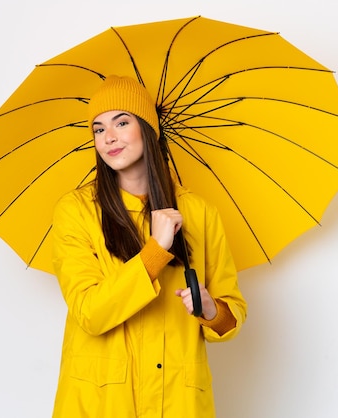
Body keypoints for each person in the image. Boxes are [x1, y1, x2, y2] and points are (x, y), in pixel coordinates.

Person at [50, 75, 247, 417]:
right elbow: (90, 312)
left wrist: (211, 309)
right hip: (101, 404)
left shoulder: (199, 213)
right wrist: (156, 249)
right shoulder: (77, 210)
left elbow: (232, 318)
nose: (108, 137)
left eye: (121, 122)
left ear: (147, 128)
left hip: (178, 403)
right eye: (98, 129)